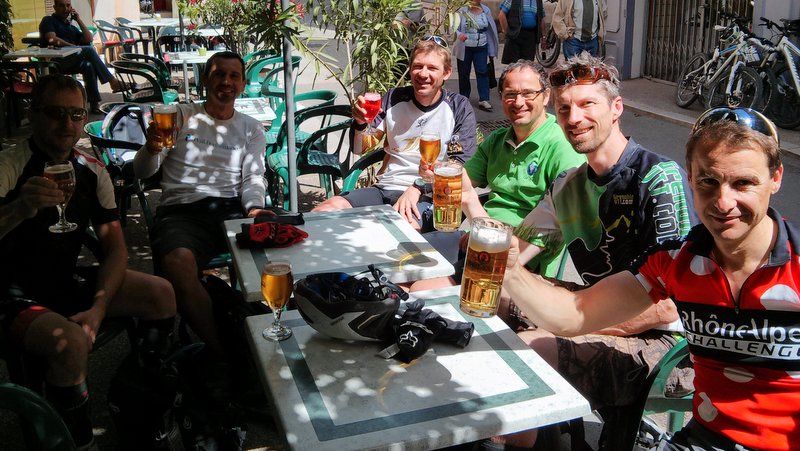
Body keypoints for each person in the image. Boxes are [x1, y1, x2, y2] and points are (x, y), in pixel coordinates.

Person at [503, 107, 797, 451]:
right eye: (708, 182)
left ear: (776, 178)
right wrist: (508, 270)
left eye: (743, 183)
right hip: (702, 440)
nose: (723, 201)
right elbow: (576, 313)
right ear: (691, 178)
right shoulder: (676, 260)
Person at [494, 54, 697, 448]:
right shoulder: (568, 185)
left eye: (588, 104)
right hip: (590, 310)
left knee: (528, 350)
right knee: (493, 298)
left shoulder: (656, 178)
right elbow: (515, 253)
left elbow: (671, 305)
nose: (574, 117)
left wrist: (566, 323)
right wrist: (475, 219)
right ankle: (545, 432)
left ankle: (525, 434)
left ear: (616, 108)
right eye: (565, 107)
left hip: (659, 343)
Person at [0, 74, 176, 450]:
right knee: (72, 344)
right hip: (9, 291)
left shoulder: (92, 170)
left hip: (63, 281)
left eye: (75, 114)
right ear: (34, 114)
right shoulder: (9, 168)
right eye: (55, 113)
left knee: (161, 294)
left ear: (84, 118)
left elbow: (115, 250)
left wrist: (98, 308)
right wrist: (20, 208)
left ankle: (141, 398)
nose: (67, 124)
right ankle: (79, 443)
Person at [133, 51, 269, 399]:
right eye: (218, 74)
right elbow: (141, 173)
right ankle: (227, 354)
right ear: (205, 80)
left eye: (234, 76)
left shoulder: (251, 128)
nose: (226, 82)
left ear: (242, 83)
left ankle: (272, 335)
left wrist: (255, 210)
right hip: (183, 210)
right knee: (177, 263)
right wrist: (150, 148)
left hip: (232, 208)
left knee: (289, 248)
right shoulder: (178, 116)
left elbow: (253, 177)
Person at [414, 59, 585, 289]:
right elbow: (464, 180)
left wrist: (475, 212)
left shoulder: (561, 148)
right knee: (405, 263)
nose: (519, 102)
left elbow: (544, 233)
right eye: (510, 94)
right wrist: (434, 175)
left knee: (418, 288)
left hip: (520, 262)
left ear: (546, 97)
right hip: (479, 237)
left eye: (528, 93)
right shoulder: (498, 139)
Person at [313, 38, 477, 232]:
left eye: (432, 68)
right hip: (385, 187)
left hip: (430, 194)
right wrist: (359, 123)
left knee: (400, 231)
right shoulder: (394, 98)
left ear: (446, 73)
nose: (423, 74)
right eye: (418, 66)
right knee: (324, 212)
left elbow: (456, 168)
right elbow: (360, 148)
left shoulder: (458, 107)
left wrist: (418, 187)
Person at [39, 0, 124, 113]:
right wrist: (72, 46)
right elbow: (51, 38)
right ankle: (112, 81)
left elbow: (89, 39)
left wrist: (78, 20)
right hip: (55, 61)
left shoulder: (70, 26)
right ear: (54, 7)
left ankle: (94, 104)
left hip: (70, 61)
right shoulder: (48, 20)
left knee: (88, 65)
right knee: (88, 50)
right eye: (61, 6)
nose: (65, 9)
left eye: (68, 5)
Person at [453, 0, 500, 112]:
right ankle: (464, 98)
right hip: (465, 46)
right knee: (464, 72)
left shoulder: (486, 10)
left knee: (482, 71)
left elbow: (489, 30)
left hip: (481, 46)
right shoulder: (461, 10)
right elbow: (453, 28)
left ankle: (484, 99)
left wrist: (491, 51)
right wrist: (460, 35)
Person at [498, 0, 544, 64]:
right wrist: (507, 32)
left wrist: (543, 36)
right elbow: (502, 15)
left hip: (530, 36)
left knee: (527, 65)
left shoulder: (538, 1)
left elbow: (541, 19)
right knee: (513, 66)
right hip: (515, 35)